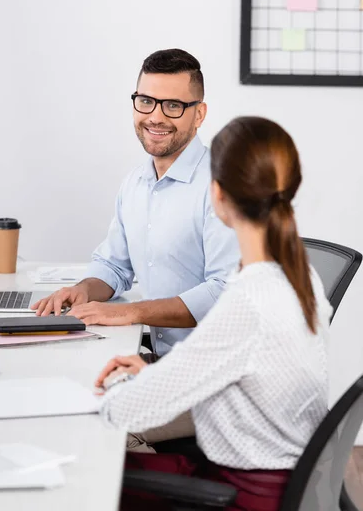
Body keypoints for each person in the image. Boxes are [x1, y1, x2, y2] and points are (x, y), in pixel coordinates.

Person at [94, 116, 331, 511]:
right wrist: (153, 373)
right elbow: (228, 366)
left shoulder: (247, 302)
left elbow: (123, 410)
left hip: (240, 494)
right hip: (278, 478)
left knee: (90, 463)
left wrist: (103, 387)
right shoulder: (297, 274)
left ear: (217, 194)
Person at [32, 49, 239, 361]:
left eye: (173, 106)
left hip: (211, 371)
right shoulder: (135, 183)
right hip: (157, 359)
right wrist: (83, 290)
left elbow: (223, 292)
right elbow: (114, 265)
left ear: (199, 114)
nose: (155, 116)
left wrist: (130, 313)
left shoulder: (224, 186)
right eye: (146, 101)